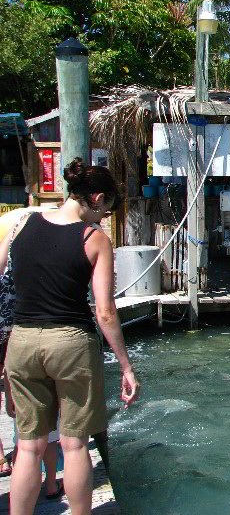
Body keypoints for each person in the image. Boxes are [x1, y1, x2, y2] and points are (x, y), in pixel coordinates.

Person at [0, 158, 139, 515]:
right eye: (106, 207)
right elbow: (104, 311)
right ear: (96, 198)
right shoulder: (93, 239)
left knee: (28, 446)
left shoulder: (22, 224)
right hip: (70, 342)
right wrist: (125, 365)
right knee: (74, 443)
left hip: (22, 340)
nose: (105, 216)